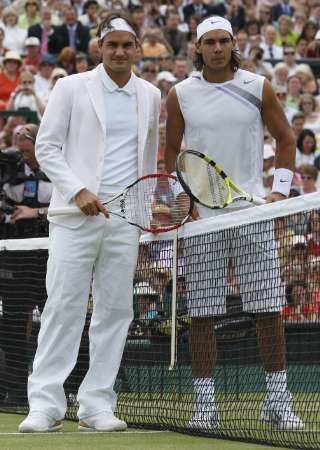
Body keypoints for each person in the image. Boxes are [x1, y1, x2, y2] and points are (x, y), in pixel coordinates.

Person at [18, 10, 161, 433]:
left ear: (136, 49)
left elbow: (148, 157)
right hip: (73, 216)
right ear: (99, 47)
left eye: (126, 44)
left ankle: (97, 403)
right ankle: (44, 403)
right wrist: (78, 190)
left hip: (125, 221)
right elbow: (46, 146)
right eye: (111, 44)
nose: (119, 51)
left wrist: (143, 212)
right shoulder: (70, 87)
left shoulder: (151, 95)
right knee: (62, 306)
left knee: (116, 310)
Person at [165, 16, 304, 431]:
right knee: (203, 315)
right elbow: (172, 152)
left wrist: (278, 193)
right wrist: (181, 198)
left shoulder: (257, 86)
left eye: (224, 41)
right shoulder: (180, 94)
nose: (218, 48)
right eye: (210, 42)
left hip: (252, 213)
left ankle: (278, 401)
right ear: (198, 47)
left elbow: (286, 139)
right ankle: (205, 405)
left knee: (268, 310)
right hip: (203, 220)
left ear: (233, 45)